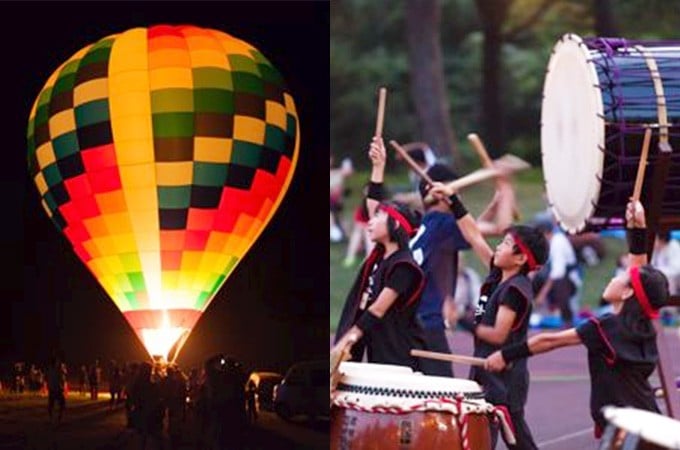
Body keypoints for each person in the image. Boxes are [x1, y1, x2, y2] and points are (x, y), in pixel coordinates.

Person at [486, 199, 670, 441]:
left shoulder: (606, 328)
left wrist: (505, 355)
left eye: (622, 277)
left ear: (627, 293)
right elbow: (641, 278)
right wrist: (638, 226)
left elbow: (550, 341)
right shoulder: (643, 322)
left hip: (629, 434)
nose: (614, 278)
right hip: (649, 423)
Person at [428, 180, 549, 450]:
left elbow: (498, 335)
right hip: (484, 368)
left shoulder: (516, 290)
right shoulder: (497, 277)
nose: (498, 247)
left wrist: (460, 319)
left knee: (515, 439)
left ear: (520, 259)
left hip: (505, 376)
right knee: (482, 436)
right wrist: (453, 201)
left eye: (506, 244)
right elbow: (473, 235)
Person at [332, 136, 426, 369]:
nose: (370, 222)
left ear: (395, 226)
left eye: (378, 219)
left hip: (394, 349)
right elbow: (372, 203)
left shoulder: (403, 266)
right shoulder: (381, 254)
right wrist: (378, 166)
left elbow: (378, 308)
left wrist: (349, 337)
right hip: (373, 338)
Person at [534, 217, 583, 328]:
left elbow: (558, 273)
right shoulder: (548, 243)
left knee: (559, 283)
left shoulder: (558, 242)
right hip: (552, 276)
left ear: (546, 233)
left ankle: (567, 319)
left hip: (569, 280)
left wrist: (542, 295)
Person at [46, 357, 66, 425]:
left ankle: (51, 418)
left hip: (52, 389)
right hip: (57, 389)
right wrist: (62, 386)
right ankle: (58, 418)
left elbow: (47, 379)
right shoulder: (58, 370)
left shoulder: (49, 370)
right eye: (57, 362)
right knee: (62, 403)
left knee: (51, 405)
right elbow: (61, 379)